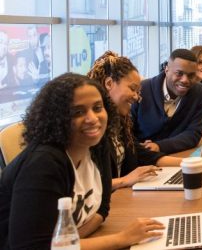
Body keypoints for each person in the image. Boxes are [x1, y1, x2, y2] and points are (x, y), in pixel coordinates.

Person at [0, 73, 163, 249]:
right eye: (78, 112)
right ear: (57, 118)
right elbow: (31, 247)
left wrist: (70, 243)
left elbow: (102, 209)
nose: (93, 119)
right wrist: (121, 238)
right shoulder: (43, 164)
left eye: (98, 107)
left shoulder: (97, 145)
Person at [87, 51, 182, 190]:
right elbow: (85, 186)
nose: (137, 97)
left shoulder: (119, 123)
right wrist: (124, 180)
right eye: (132, 89)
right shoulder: (91, 130)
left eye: (138, 92)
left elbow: (142, 154)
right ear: (109, 83)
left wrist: (190, 163)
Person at [131, 49, 202, 154]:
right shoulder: (142, 89)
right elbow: (127, 133)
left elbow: (194, 133)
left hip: (180, 156)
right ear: (166, 69)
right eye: (179, 73)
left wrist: (159, 146)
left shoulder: (200, 93)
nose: (185, 80)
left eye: (191, 75)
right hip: (142, 158)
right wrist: (143, 149)